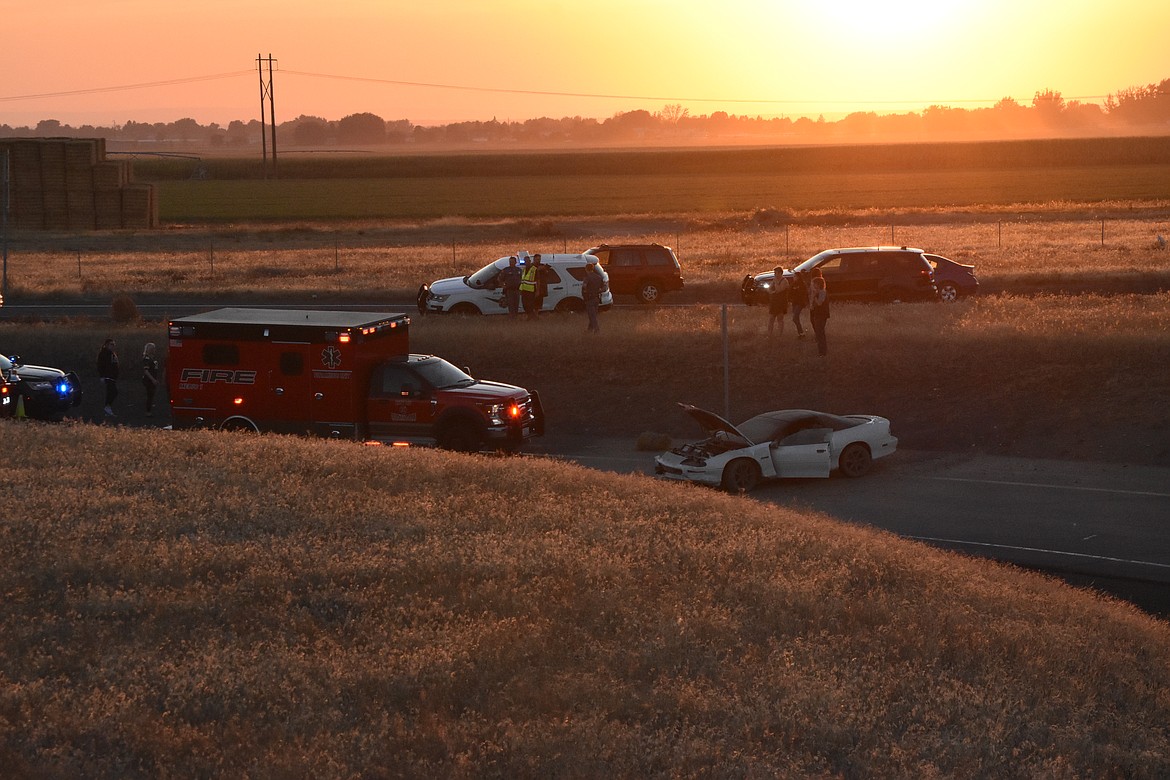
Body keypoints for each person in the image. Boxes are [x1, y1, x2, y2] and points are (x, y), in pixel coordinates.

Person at [97, 337, 119, 416]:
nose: (113, 346)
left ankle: (107, 408)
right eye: (111, 344)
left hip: (113, 376)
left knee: (112, 392)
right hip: (108, 375)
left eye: (114, 345)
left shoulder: (112, 354)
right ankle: (107, 406)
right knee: (113, 391)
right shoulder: (103, 353)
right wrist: (102, 376)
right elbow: (100, 365)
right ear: (106, 345)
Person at [809, 274, 830, 357]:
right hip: (817, 314)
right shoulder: (817, 293)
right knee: (819, 332)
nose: (813, 286)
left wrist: (814, 297)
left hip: (822, 314)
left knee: (820, 332)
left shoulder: (822, 292)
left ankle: (822, 352)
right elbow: (811, 306)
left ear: (818, 284)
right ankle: (821, 350)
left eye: (814, 284)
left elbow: (819, 303)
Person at [583, 258, 605, 333]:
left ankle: (596, 330)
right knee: (593, 314)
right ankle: (589, 330)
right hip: (597, 298)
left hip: (589, 298)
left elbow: (584, 288)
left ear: (586, 269)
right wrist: (598, 291)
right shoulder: (599, 277)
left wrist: (585, 297)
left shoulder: (587, 278)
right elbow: (604, 288)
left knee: (592, 316)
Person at [767, 265, 789, 337]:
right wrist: (772, 291)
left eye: (776, 273)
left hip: (781, 302)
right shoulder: (774, 280)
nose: (775, 274)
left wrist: (775, 285)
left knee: (780, 318)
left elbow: (779, 290)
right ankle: (769, 334)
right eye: (774, 273)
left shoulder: (784, 281)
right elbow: (769, 289)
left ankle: (780, 334)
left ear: (780, 273)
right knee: (771, 319)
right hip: (774, 302)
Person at [142, 342, 160, 416]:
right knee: (149, 395)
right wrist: (152, 379)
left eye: (154, 348)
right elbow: (146, 371)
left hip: (154, 378)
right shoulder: (147, 358)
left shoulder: (154, 358)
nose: (153, 350)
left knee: (152, 395)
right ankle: (148, 411)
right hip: (148, 380)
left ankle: (150, 409)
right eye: (151, 348)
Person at [789, 270, 809, 339]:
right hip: (794, 302)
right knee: (795, 318)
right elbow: (789, 292)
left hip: (800, 303)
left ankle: (801, 332)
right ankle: (800, 333)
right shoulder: (793, 285)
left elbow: (804, 294)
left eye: (795, 276)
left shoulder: (802, 284)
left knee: (795, 317)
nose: (794, 278)